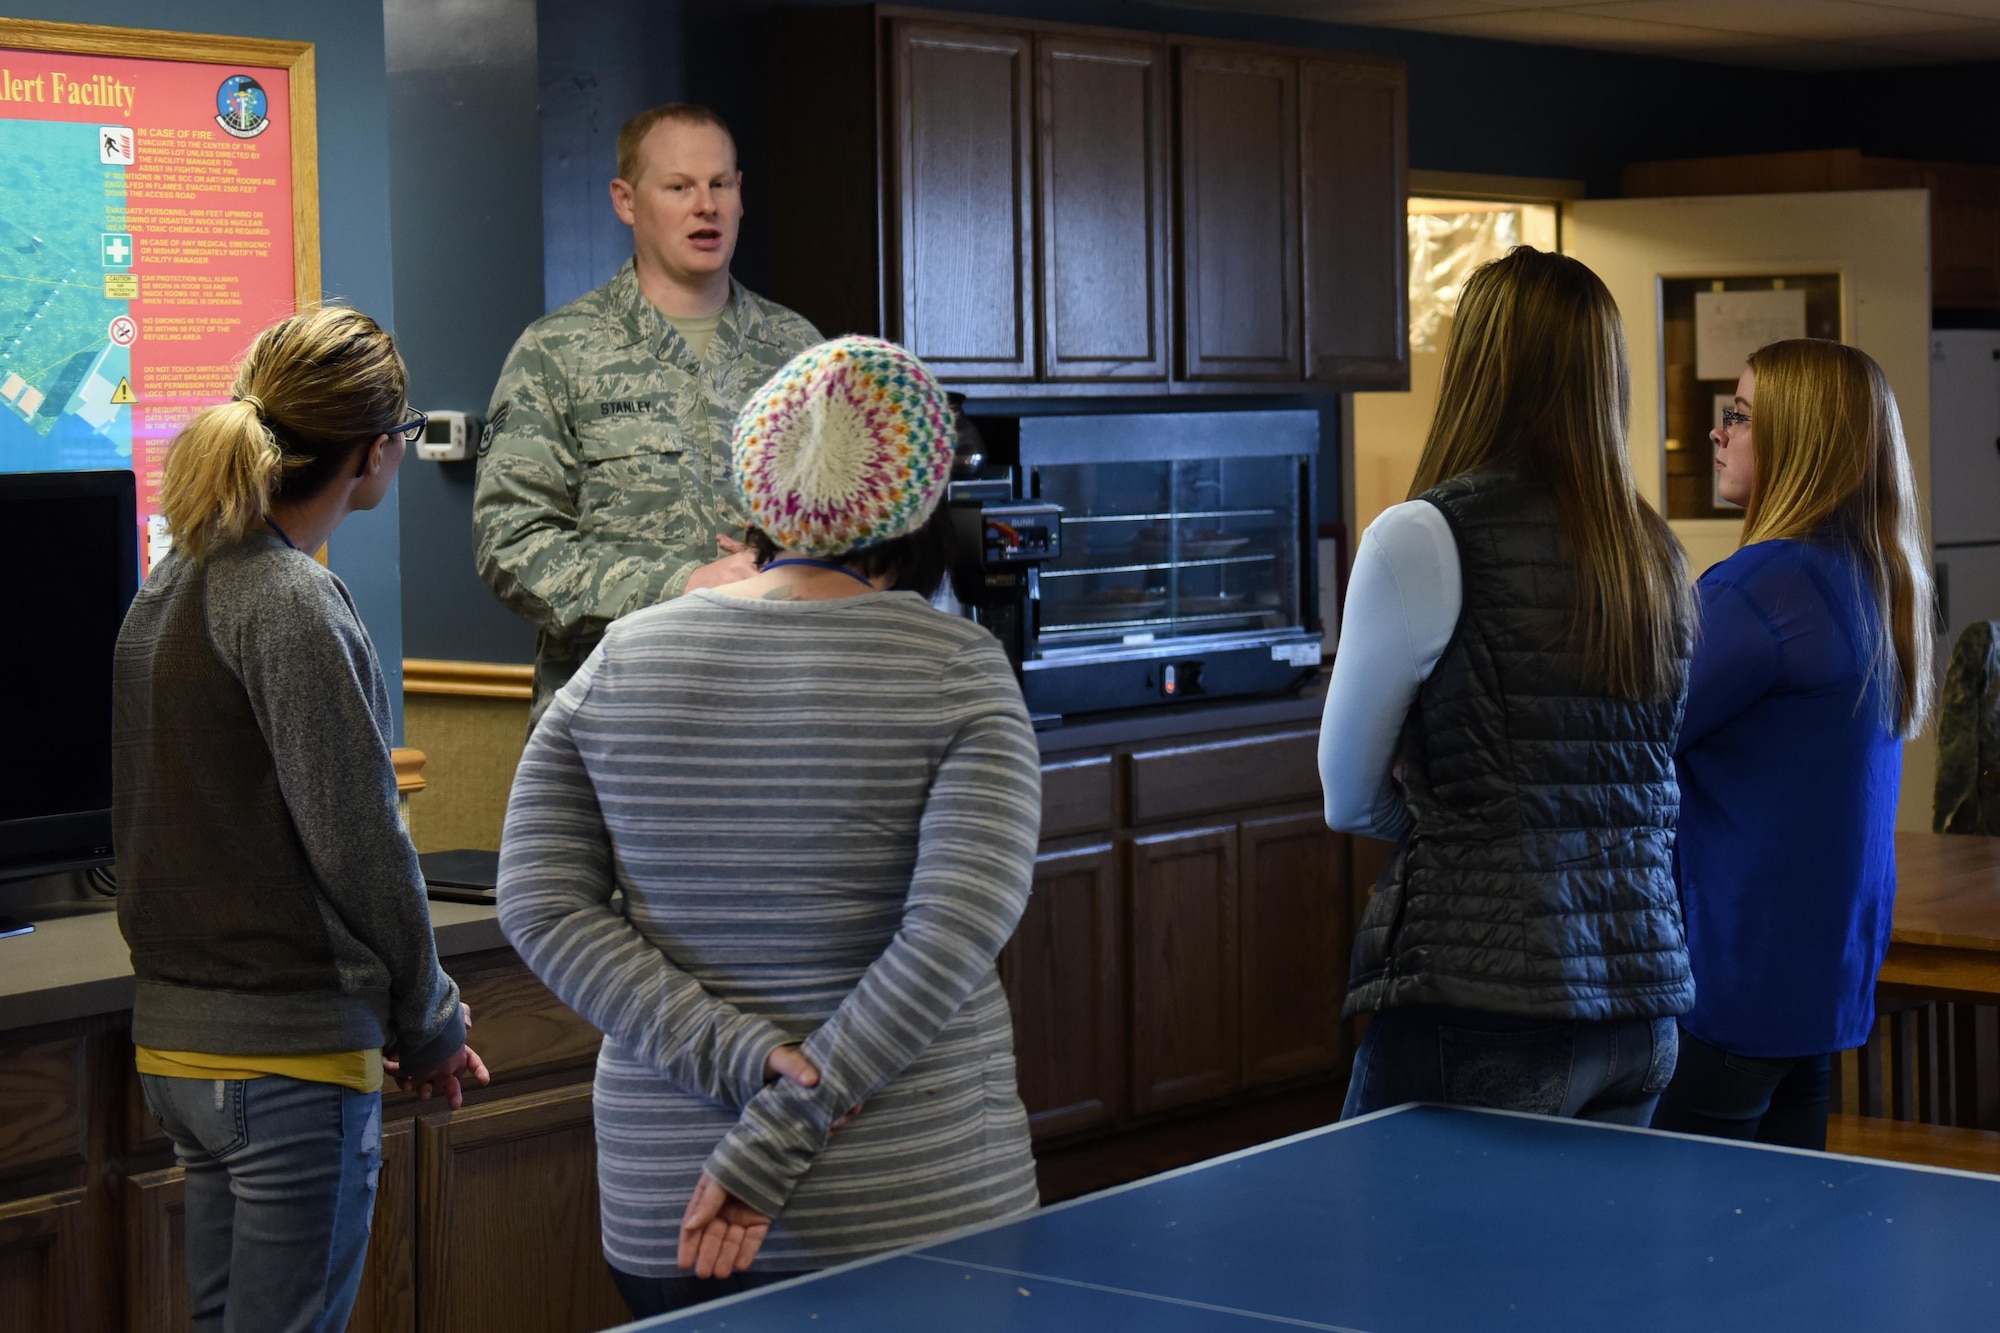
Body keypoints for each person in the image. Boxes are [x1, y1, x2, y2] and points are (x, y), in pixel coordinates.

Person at [497, 336, 1041, 1318]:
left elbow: (539, 902)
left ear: (755, 484)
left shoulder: (622, 659)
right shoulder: (956, 668)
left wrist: (735, 1059)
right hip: (915, 1197)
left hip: (672, 1198)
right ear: (921, 500)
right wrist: (786, 1123)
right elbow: (954, 931)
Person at [112, 306, 489, 1333]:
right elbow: (360, 840)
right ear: (376, 452)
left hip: (180, 1054)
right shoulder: (289, 599)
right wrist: (432, 1016)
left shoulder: (170, 584)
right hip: (283, 1059)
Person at [1319, 247, 1695, 1124]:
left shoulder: (1421, 536)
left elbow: (1346, 794)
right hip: (1641, 1011)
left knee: (1393, 1257)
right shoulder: (1656, 555)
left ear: (1477, 369)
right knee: (1589, 1266)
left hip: (1487, 1008)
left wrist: (1460, 822)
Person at [1651, 339, 1933, 1149]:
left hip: (1731, 986)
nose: (1718, 432)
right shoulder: (1869, 576)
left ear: (1798, 441)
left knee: (1674, 1242)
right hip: (1818, 986)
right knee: (1779, 1242)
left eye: (1738, 415)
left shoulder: (1762, 585)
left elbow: (1629, 735)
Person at [474, 102, 822, 722]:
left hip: (773, 712)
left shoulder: (799, 352)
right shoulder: (557, 352)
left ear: (741, 194)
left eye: (719, 184)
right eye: (679, 187)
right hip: (613, 717)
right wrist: (685, 585)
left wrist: (799, 564)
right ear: (626, 201)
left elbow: (855, 530)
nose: (705, 205)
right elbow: (511, 547)